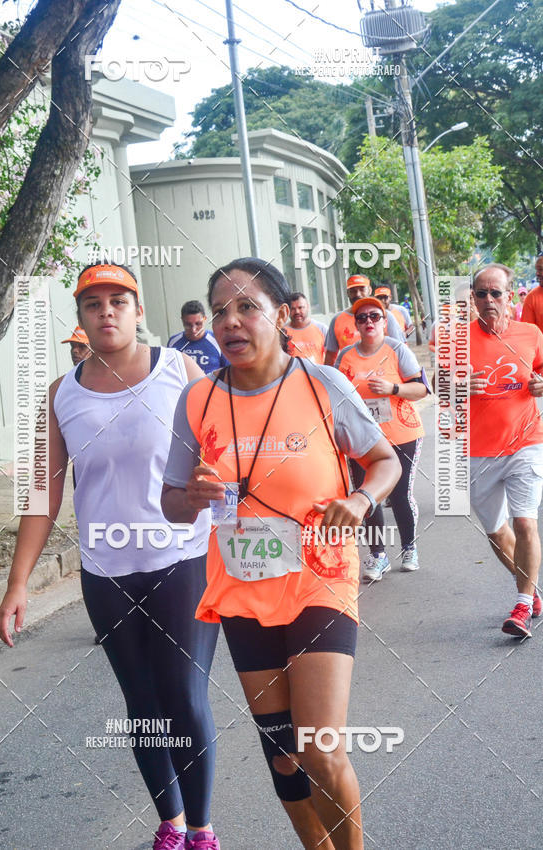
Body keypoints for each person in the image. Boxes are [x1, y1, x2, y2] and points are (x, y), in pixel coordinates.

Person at [161, 258, 400, 850]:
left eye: (247, 307)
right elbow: (171, 505)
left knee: (319, 747)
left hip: (320, 575)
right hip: (244, 586)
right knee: (283, 756)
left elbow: (385, 460)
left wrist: (363, 499)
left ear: (278, 314)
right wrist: (190, 496)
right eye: (220, 310)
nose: (231, 321)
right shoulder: (196, 400)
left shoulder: (322, 383)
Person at [0, 263, 221, 850]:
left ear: (139, 309)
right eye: (93, 304)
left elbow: (223, 455)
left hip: (183, 560)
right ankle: (170, 824)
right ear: (81, 319)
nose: (107, 312)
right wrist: (18, 583)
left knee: (183, 698)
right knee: (142, 705)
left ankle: (202, 830)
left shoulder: (182, 371)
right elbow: (43, 492)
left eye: (119, 300)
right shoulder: (61, 393)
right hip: (106, 574)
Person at [469, 263, 543, 638]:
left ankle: (522, 604)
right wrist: (460, 384)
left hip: (526, 442)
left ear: (510, 295)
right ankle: (530, 589)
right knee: (497, 534)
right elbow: (435, 383)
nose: (488, 300)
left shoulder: (530, 333)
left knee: (525, 521)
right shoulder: (459, 338)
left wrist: (541, 384)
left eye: (495, 293)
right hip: (478, 452)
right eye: (481, 294)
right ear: (473, 298)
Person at [336, 297, 428, 581]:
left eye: (374, 316)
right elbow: (335, 397)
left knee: (400, 495)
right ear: (355, 325)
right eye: (362, 318)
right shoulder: (345, 356)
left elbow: (422, 389)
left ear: (384, 321)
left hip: (402, 434)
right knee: (368, 496)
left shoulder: (396, 349)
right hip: (362, 441)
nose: (368, 322)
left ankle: (409, 548)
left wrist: (393, 387)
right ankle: (378, 555)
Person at [324, 275, 405, 365]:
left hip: (383, 374)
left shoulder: (384, 316)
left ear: (370, 290)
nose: (358, 294)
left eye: (362, 289)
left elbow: (399, 349)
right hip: (349, 377)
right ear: (347, 293)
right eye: (353, 291)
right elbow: (330, 356)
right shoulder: (337, 320)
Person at [168, 299, 227, 373]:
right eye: (188, 325)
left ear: (205, 319)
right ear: (182, 320)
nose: (193, 330)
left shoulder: (218, 340)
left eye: (198, 324)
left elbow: (229, 372)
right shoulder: (173, 342)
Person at [284, 291, 328, 363]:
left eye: (300, 307)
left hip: (316, 374)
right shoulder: (282, 332)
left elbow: (331, 357)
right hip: (292, 374)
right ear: (288, 310)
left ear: (307, 307)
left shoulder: (322, 329)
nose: (297, 311)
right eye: (293, 309)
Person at [520, 254, 543, 333]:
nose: (537, 273)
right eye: (537, 270)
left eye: (541, 269)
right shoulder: (532, 297)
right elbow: (527, 334)